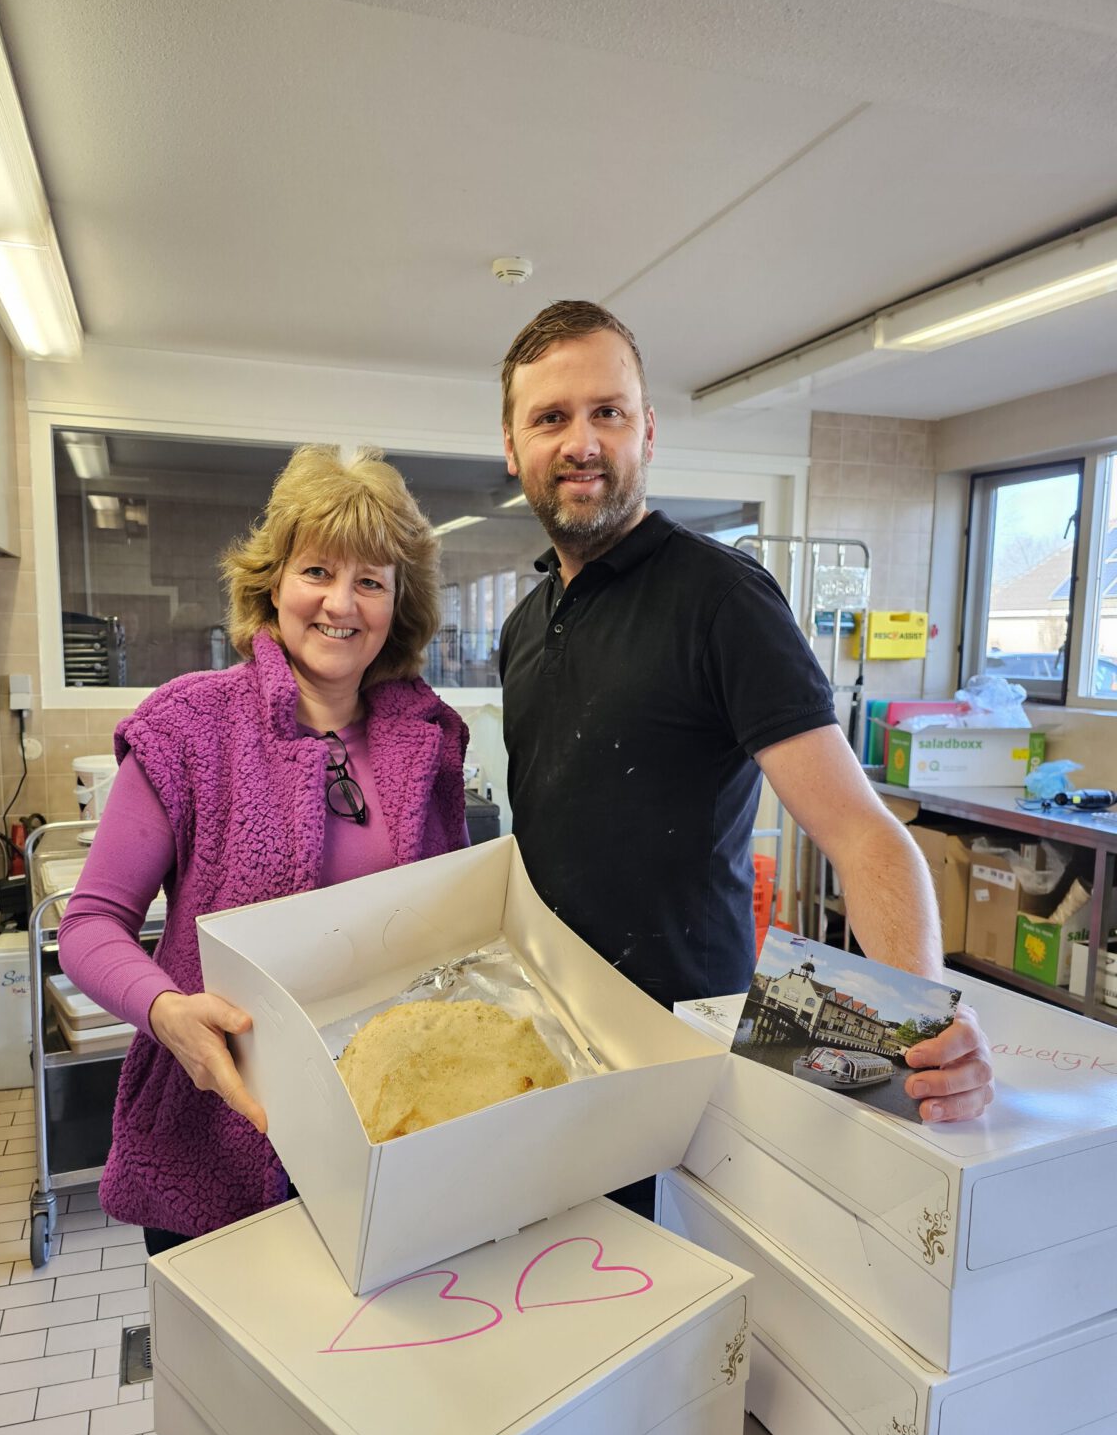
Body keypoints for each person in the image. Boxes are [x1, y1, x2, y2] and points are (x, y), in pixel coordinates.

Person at [497, 301, 992, 1206]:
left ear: (646, 430)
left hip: (686, 1056)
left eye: (608, 411)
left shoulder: (721, 598)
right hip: (551, 1043)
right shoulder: (526, 623)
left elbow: (862, 833)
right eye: (551, 417)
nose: (581, 440)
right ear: (512, 445)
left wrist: (922, 1028)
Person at [58, 444, 469, 1251]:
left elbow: (449, 929)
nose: (339, 604)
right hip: (216, 1129)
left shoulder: (428, 741)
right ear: (273, 583)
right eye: (317, 571)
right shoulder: (192, 727)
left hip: (382, 1129)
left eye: (371, 581)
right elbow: (90, 926)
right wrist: (167, 1012)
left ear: (397, 605)